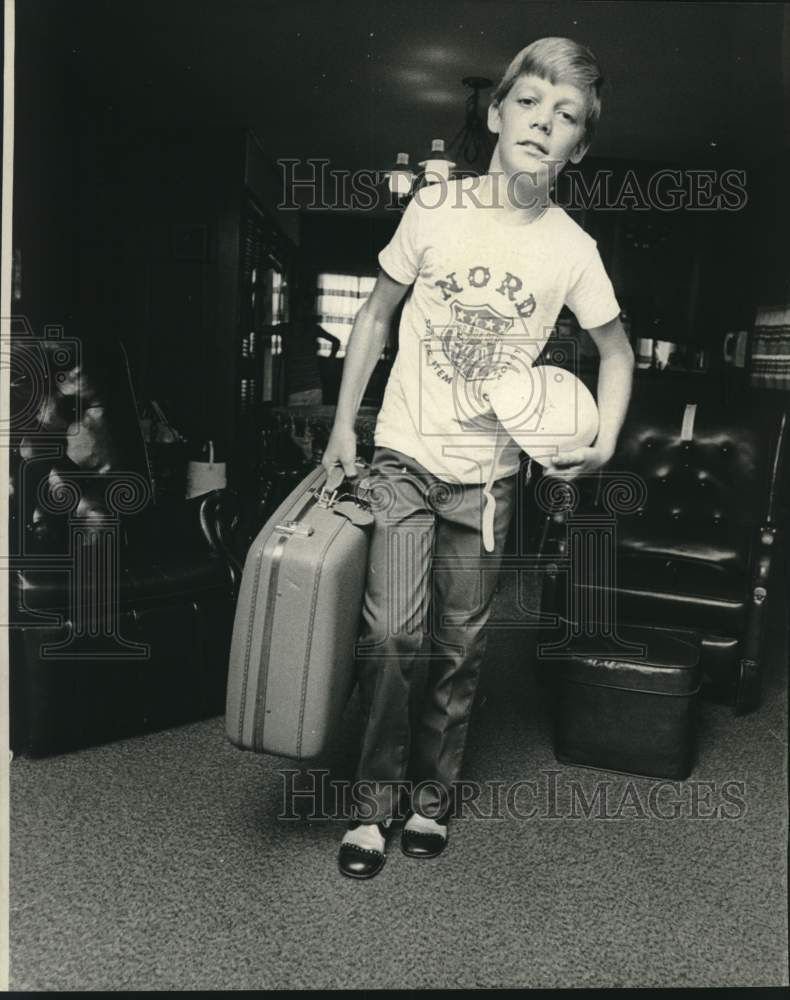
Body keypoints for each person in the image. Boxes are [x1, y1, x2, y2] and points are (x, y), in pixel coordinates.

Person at [321, 36, 635, 879]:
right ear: (496, 114)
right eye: (530, 102)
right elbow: (376, 316)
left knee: (460, 648)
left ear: (578, 146)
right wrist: (341, 426)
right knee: (394, 635)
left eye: (566, 115)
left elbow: (617, 352)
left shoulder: (573, 249)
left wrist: (601, 443)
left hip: (490, 481)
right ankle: (371, 807)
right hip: (404, 460)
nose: (544, 122)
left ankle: (432, 800)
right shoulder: (434, 209)